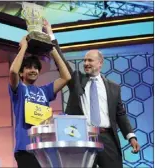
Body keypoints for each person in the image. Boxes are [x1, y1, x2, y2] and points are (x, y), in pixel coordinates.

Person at [45, 23, 140, 168]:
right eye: (84, 60)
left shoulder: (114, 87)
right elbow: (61, 63)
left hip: (107, 137)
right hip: (82, 136)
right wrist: (51, 35)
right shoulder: (77, 79)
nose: (86, 63)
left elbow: (120, 114)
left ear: (100, 63)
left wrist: (131, 137)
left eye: (90, 60)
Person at [8, 31, 71, 167]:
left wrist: (52, 49)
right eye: (29, 67)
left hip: (44, 148)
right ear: (21, 72)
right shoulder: (19, 88)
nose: (33, 70)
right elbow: (13, 72)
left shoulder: (44, 91)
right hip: (26, 148)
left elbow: (66, 77)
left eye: (36, 68)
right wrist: (24, 47)